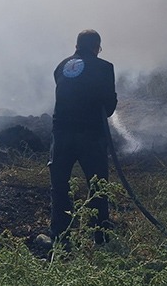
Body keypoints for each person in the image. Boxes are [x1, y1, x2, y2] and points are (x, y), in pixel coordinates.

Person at [49, 29, 118, 247]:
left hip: (60, 135)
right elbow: (109, 108)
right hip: (91, 136)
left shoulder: (61, 66)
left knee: (59, 186)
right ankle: (101, 237)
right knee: (98, 187)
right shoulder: (105, 67)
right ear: (96, 47)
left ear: (77, 46)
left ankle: (60, 236)